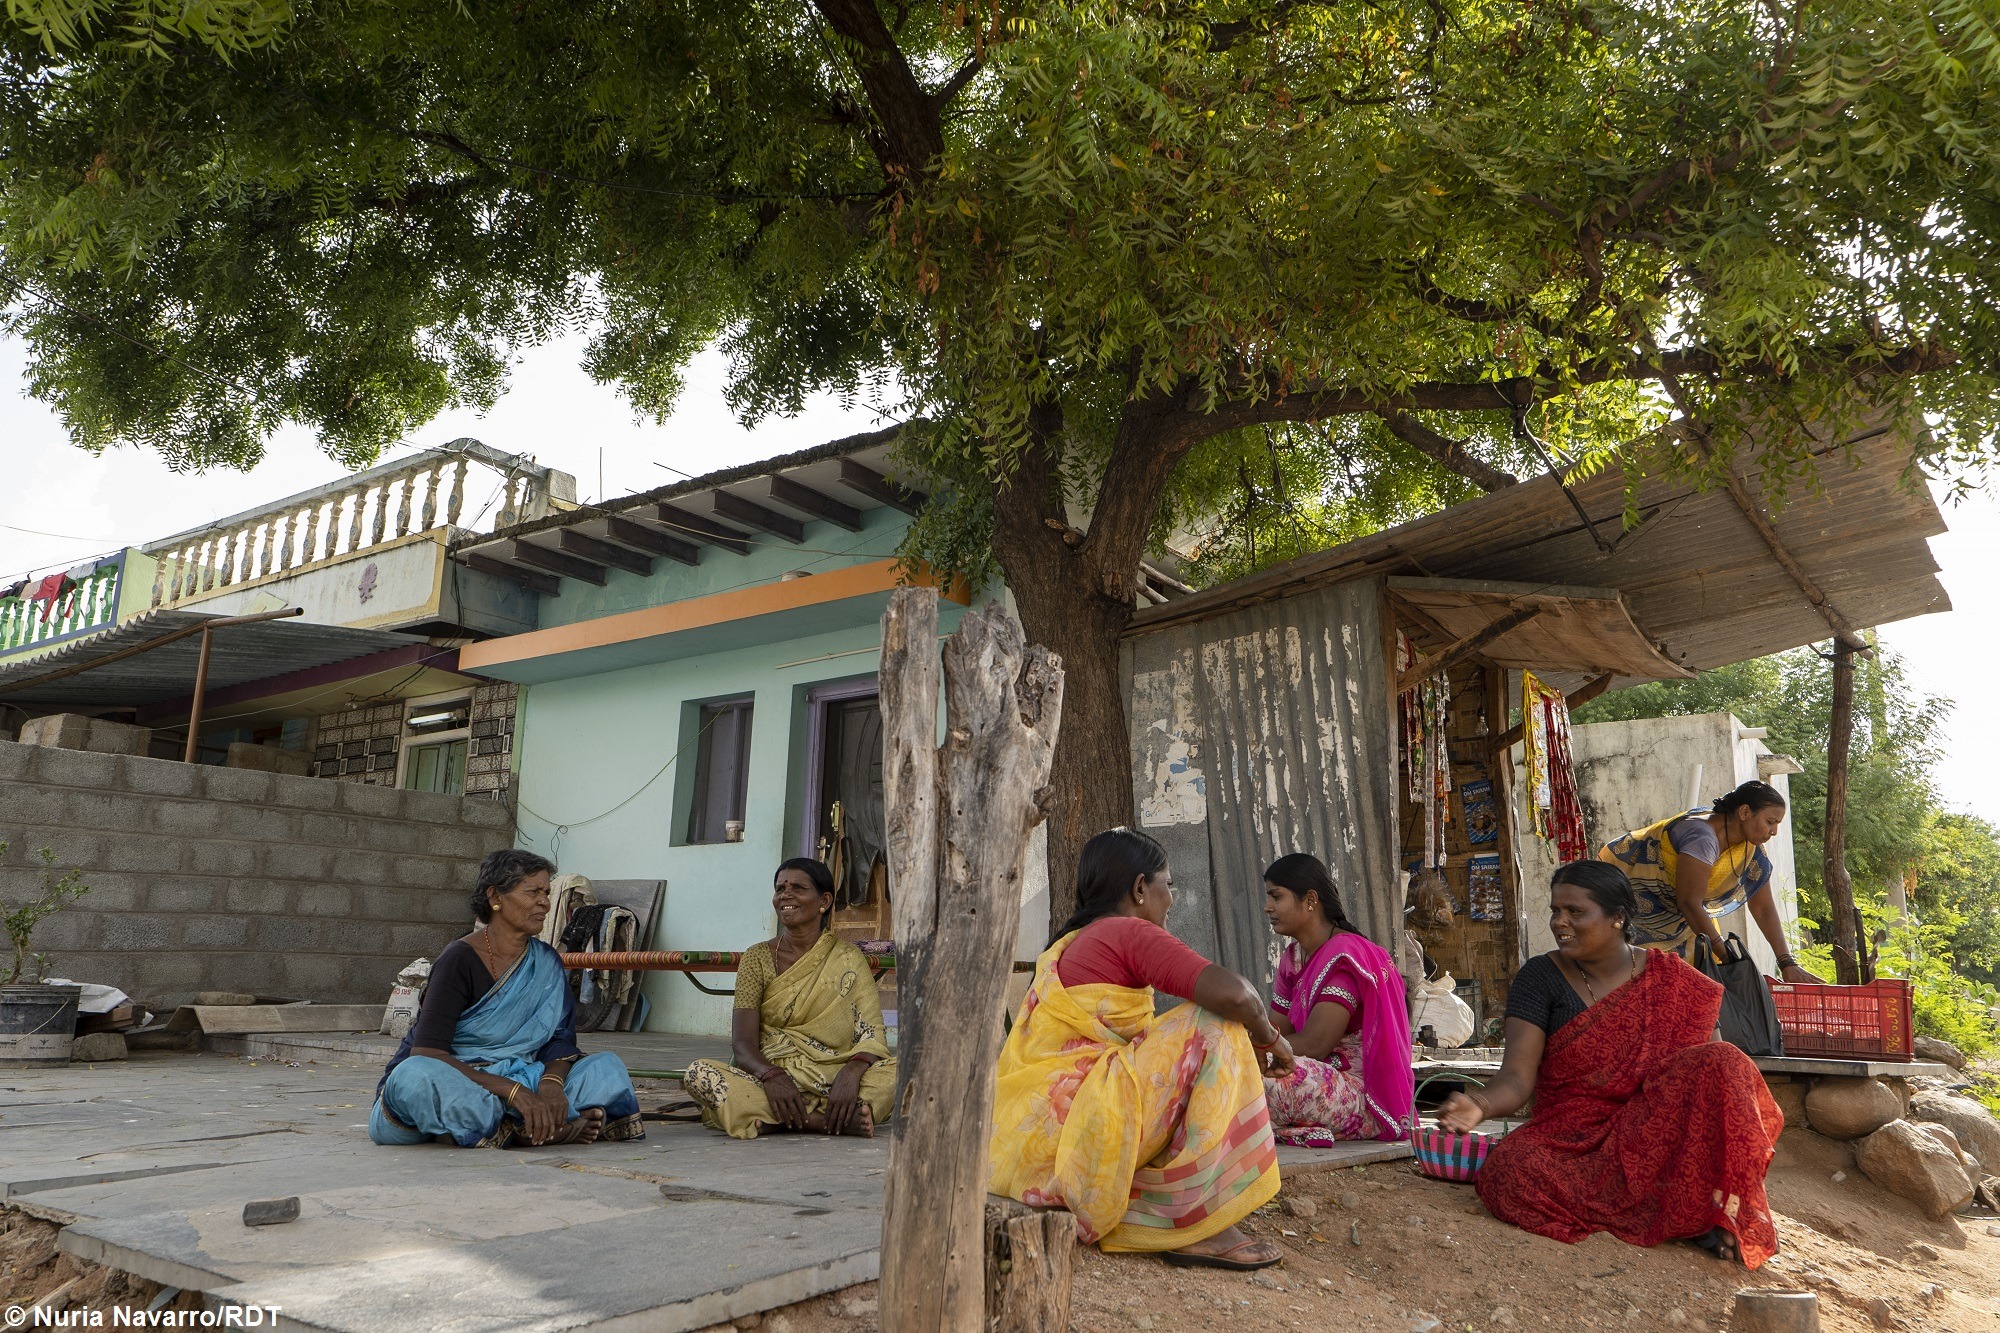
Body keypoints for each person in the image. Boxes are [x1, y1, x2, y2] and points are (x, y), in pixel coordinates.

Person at [1437, 861, 1783, 1267]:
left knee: (1724, 1060)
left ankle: (1695, 1212)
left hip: (1654, 1137)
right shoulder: (1541, 976)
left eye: (1575, 912)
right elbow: (1516, 1079)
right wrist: (1479, 1103)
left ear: (1618, 918)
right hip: (1572, 1139)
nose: (1559, 922)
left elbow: (1707, 1081)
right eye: (1555, 911)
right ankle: (1677, 1217)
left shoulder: (1673, 979)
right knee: (1508, 1173)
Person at [988, 828, 1294, 1271]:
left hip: (1033, 1150)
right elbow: (1239, 997)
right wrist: (1271, 1038)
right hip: (1078, 1135)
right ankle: (1192, 1219)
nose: (1170, 898)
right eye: (1167, 885)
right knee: (1215, 1023)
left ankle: (1153, 1204)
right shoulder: (1127, 932)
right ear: (1138, 888)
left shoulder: (1071, 944)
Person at [370, 848, 643, 1148]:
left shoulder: (547, 961)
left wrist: (551, 1085)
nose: (545, 902)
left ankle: (509, 1125)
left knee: (607, 1068)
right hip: (461, 1080)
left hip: (524, 1077)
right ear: (495, 897)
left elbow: (560, 1042)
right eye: (533, 892)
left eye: (546, 892)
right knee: (412, 1079)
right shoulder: (458, 959)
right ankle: (527, 1127)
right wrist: (513, 1092)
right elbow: (428, 1054)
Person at [682, 858, 896, 1138]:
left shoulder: (848, 957)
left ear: (825, 901)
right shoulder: (756, 958)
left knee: (905, 1070)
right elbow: (743, 1044)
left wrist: (853, 1072)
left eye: (798, 887)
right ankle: (821, 1121)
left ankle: (776, 1119)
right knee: (699, 1074)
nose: (785, 894)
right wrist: (771, 1076)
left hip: (836, 1077)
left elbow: (872, 1034)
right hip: (774, 1078)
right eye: (780, 888)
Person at [1261, 853, 1414, 1146]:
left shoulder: (1344, 955)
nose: (1268, 907)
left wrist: (1251, 1051)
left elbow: (1317, 1044)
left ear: (1310, 900)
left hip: (1358, 1092)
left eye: (1276, 897)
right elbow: (1277, 1031)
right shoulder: (1292, 959)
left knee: (1249, 1083)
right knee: (1231, 1071)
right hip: (1312, 1070)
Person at [1600, 780, 1820, 982]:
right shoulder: (1702, 838)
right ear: (1744, 812)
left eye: (1777, 823)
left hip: (1684, 921)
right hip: (1638, 914)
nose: (1774, 831)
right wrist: (1728, 957)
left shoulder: (1749, 846)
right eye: (1770, 821)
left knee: (1702, 987)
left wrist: (1787, 963)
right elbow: (1688, 903)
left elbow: (1762, 907)